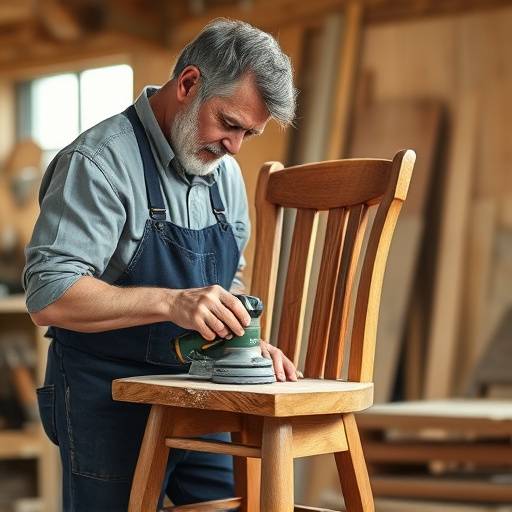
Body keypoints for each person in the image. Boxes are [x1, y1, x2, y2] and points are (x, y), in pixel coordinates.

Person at [23, 18, 298, 511]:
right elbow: (49, 294)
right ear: (188, 84)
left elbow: (226, 282)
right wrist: (172, 302)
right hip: (108, 395)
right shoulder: (99, 163)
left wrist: (246, 343)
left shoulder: (225, 174)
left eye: (248, 134)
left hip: (198, 389)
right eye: (229, 123)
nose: (234, 146)